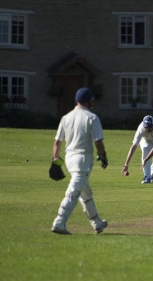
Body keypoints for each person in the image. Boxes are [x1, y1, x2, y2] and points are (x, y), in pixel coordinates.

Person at [51, 87, 109, 235]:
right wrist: (103, 156)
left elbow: (57, 142)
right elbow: (98, 141)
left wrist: (55, 160)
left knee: (85, 192)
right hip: (83, 160)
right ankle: (59, 222)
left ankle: (97, 222)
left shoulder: (66, 117)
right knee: (73, 192)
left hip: (69, 159)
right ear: (89, 101)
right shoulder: (92, 117)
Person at [122, 115, 153, 184]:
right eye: (146, 128)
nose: (148, 130)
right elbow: (134, 146)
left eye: (150, 128)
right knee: (145, 148)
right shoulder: (141, 128)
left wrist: (146, 159)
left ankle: (150, 174)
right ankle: (147, 176)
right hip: (145, 140)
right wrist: (126, 164)